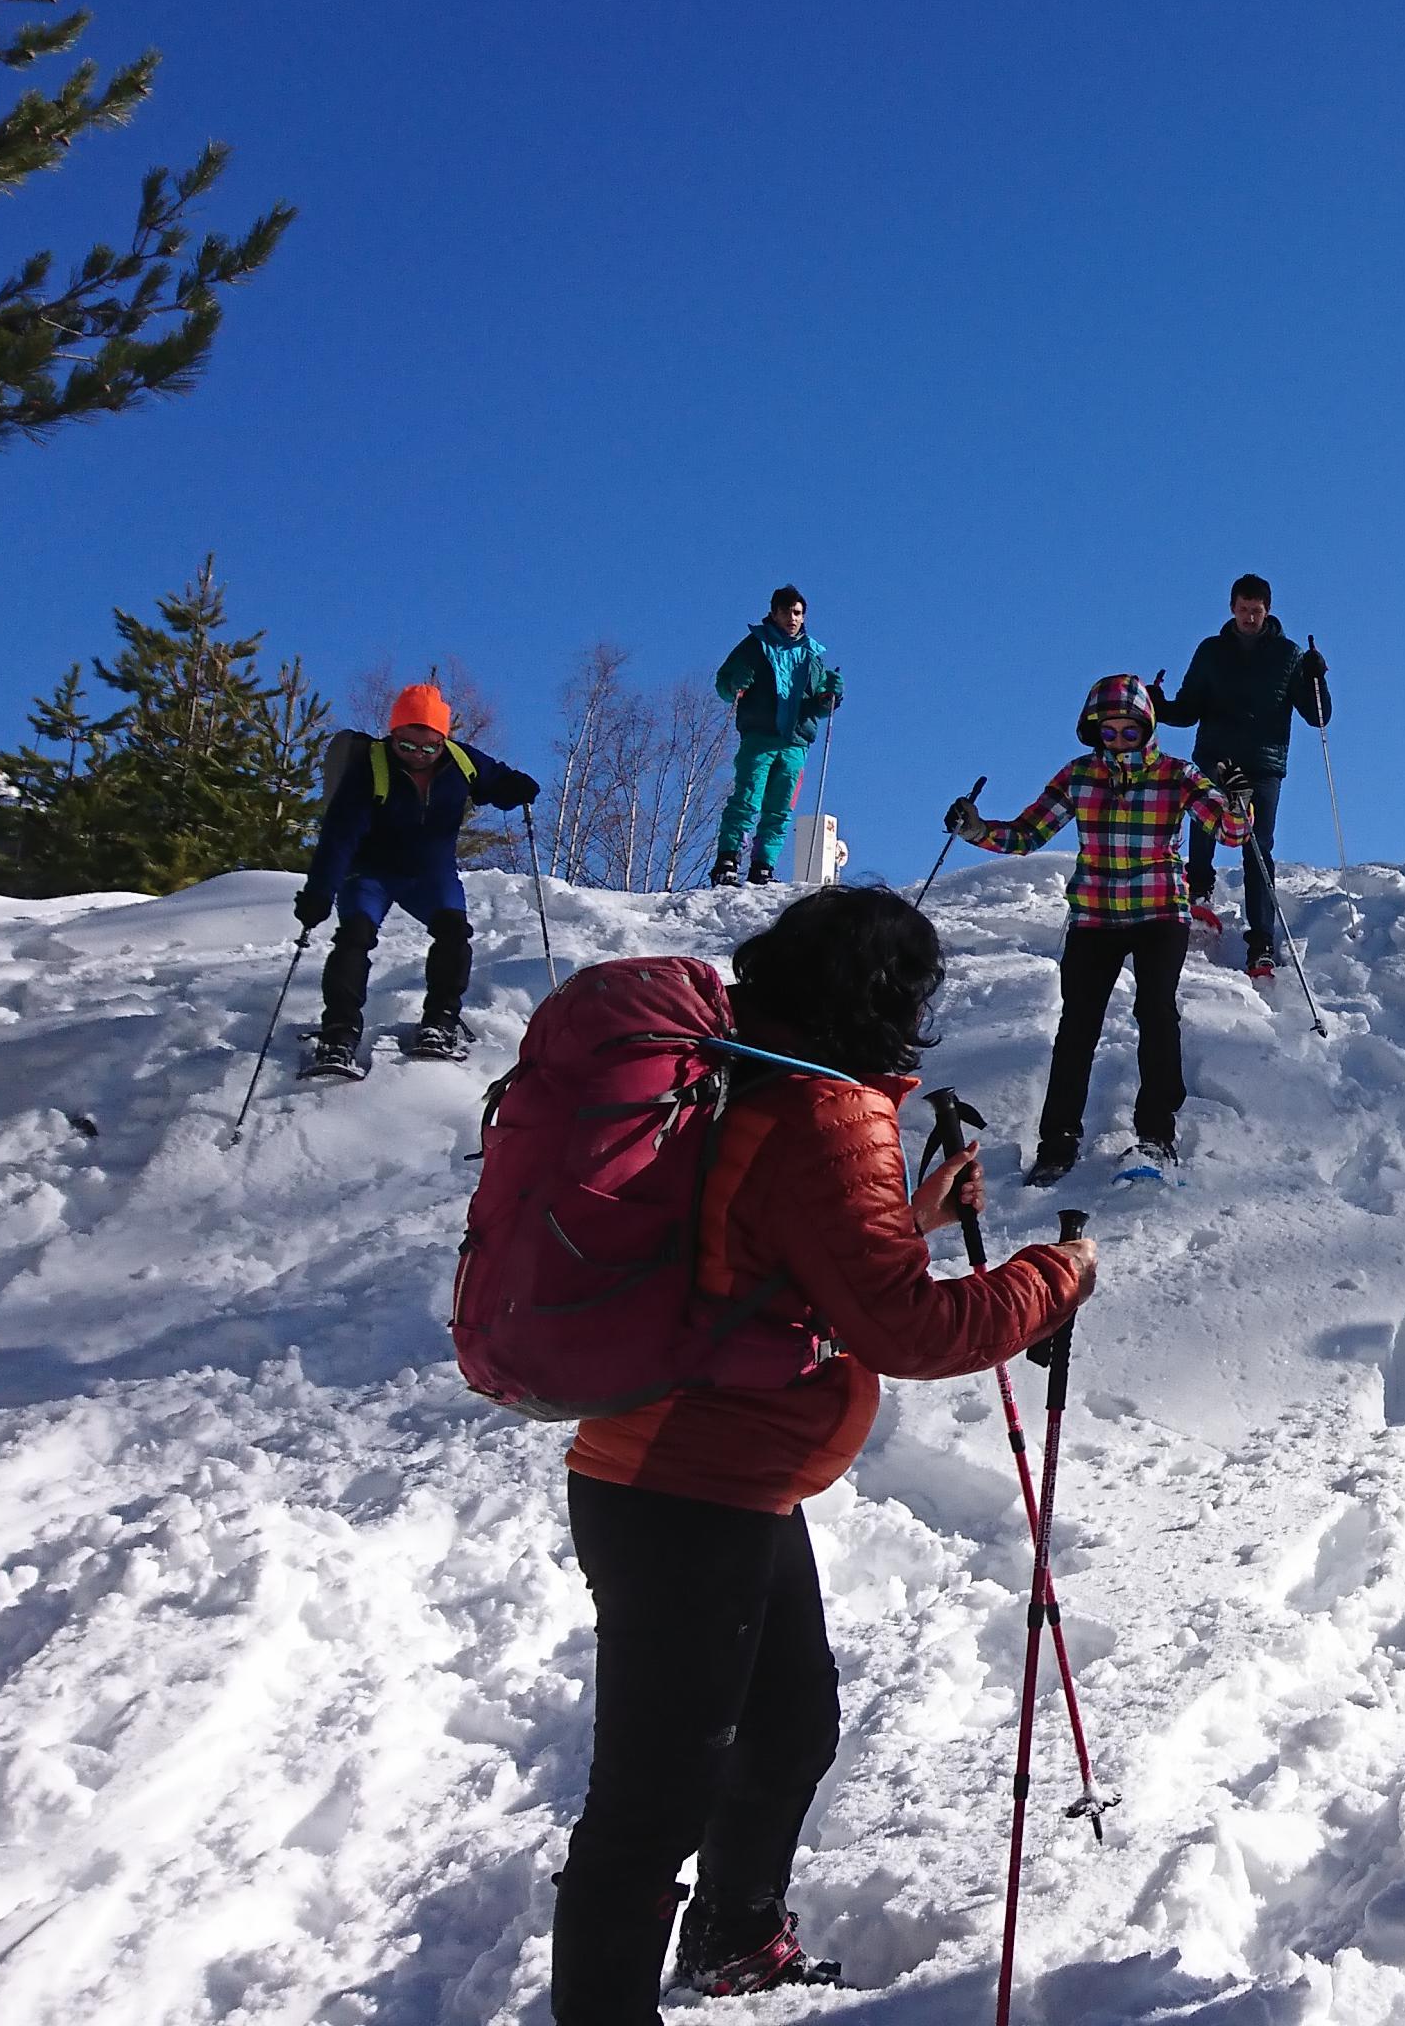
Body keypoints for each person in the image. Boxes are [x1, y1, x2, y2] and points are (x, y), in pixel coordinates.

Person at [547, 886, 1094, 2024]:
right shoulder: (824, 1110)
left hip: (719, 1476)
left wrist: (913, 1221)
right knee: (654, 1796)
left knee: (790, 1725)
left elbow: (763, 1248)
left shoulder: (758, 1077)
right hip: (685, 1482)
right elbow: (911, 1331)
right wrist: (1054, 1279)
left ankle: (735, 1936)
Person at [948, 675, 1250, 1184]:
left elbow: (1230, 832)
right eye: (1108, 733)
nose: (1119, 742)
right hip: (1095, 914)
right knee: (1077, 1026)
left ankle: (1156, 1135)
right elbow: (1027, 834)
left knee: (1156, 1011)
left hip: (1159, 910)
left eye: (1129, 733)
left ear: (1147, 729)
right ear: (1094, 732)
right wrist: (976, 829)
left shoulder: (1177, 774)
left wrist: (1238, 802)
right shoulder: (1079, 776)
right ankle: (1058, 1140)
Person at [294, 682, 541, 1070]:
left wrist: (516, 788)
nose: (418, 756)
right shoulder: (369, 767)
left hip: (430, 874)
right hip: (370, 873)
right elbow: (339, 837)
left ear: (444, 740)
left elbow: (496, 780)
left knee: (453, 932)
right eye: (406, 745)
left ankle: (440, 1022)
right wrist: (320, 892)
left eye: (429, 748)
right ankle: (339, 1034)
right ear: (392, 734)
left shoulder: (462, 761)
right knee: (354, 937)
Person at [1151, 572, 1330, 980]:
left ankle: (1261, 942)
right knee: (1204, 818)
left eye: (1256, 611)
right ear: (1232, 608)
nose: (1250, 617)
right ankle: (1199, 891)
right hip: (1215, 756)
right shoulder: (1211, 651)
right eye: (1244, 609)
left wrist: (1317, 677)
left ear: (1268, 611)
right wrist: (1159, 706)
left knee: (1257, 847)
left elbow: (1318, 715)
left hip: (1264, 764)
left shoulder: (1287, 655)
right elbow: (1189, 708)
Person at [709, 587, 842, 887]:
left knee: (780, 808)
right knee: (748, 797)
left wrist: (830, 697)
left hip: (795, 742)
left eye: (797, 613)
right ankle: (728, 858)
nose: (792, 618)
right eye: (786, 612)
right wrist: (735, 683)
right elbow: (724, 683)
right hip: (760, 736)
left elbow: (819, 701)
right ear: (773, 613)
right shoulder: (755, 645)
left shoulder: (811, 655)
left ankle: (763, 865)